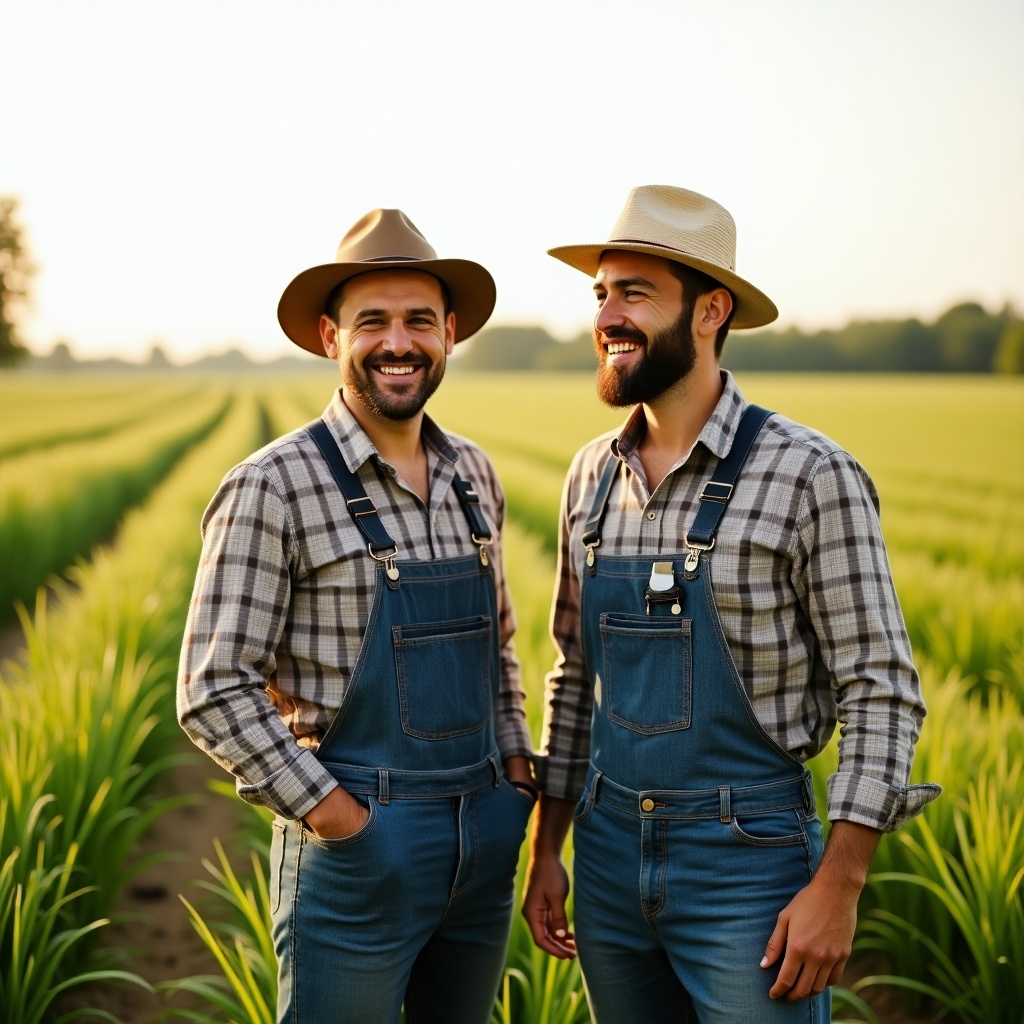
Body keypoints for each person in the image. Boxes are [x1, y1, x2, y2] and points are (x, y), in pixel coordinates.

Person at [521, 184, 940, 1023]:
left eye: (635, 293)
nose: (608, 314)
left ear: (711, 310)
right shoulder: (589, 479)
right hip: (604, 859)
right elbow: (574, 679)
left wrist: (840, 886)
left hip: (749, 865)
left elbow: (882, 691)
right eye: (601, 293)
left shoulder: (810, 475)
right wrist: (549, 849)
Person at [177, 208, 537, 1024]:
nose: (397, 342)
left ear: (449, 333)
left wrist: (515, 777)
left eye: (418, 320)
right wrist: (342, 822)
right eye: (371, 321)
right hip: (357, 846)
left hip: (483, 839)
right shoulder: (272, 484)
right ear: (329, 335)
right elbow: (212, 687)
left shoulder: (473, 474)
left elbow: (501, 651)